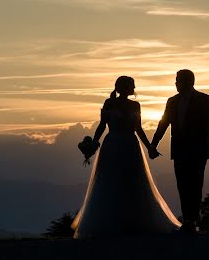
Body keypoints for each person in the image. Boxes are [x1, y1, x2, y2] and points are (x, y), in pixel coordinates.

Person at [71, 76, 181, 238]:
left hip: (131, 145)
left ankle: (135, 222)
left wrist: (149, 145)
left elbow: (138, 128)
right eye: (131, 85)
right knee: (110, 181)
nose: (134, 88)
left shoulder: (135, 105)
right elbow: (102, 125)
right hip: (112, 145)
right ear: (124, 87)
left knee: (134, 181)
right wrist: (94, 143)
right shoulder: (109, 103)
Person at [149, 69, 209, 233]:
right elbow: (163, 123)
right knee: (182, 185)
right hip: (179, 150)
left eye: (178, 80)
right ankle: (188, 220)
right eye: (175, 80)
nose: (175, 83)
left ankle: (192, 220)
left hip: (198, 150)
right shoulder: (171, 101)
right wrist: (154, 143)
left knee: (196, 185)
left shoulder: (204, 100)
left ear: (189, 81)